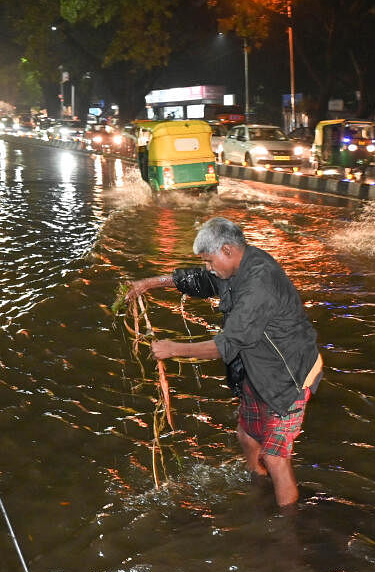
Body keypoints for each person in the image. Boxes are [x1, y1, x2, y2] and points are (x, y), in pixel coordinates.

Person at [126, 217, 323, 508]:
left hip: (291, 375)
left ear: (227, 251)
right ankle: (257, 484)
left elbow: (227, 345)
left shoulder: (259, 283)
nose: (208, 267)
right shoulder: (234, 269)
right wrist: (151, 283)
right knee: (246, 435)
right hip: (258, 372)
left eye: (208, 260)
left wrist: (172, 349)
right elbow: (202, 281)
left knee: (275, 456)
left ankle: (288, 533)